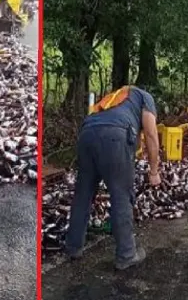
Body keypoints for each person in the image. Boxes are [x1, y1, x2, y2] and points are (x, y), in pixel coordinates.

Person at [65, 85, 161, 270]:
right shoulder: (145, 97)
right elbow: (150, 133)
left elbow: (132, 133)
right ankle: (126, 253)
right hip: (114, 137)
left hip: (87, 134)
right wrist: (154, 171)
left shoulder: (116, 97)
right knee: (121, 194)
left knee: (83, 194)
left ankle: (73, 247)